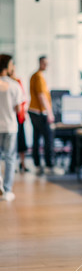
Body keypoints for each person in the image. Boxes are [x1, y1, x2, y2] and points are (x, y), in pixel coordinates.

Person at [0, 54, 23, 201]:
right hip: (9, 127)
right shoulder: (14, 85)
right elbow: (18, 109)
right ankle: (7, 190)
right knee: (9, 158)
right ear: (7, 66)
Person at [29, 56, 55, 175]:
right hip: (39, 112)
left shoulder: (35, 75)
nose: (46, 66)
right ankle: (49, 165)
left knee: (36, 137)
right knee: (48, 138)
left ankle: (37, 164)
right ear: (40, 62)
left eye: (47, 63)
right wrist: (50, 113)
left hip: (33, 111)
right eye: (44, 63)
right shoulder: (38, 77)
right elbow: (41, 96)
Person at [9, 67, 29, 173]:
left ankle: (22, 163)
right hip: (9, 116)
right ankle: (14, 165)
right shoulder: (5, 83)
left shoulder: (17, 82)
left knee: (21, 140)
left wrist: (23, 112)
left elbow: (22, 99)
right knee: (11, 143)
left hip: (19, 115)